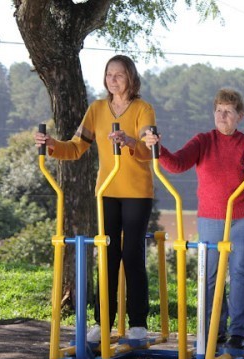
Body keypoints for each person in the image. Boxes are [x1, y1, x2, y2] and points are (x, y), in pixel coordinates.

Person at [34, 55, 156, 342]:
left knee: (132, 255)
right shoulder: (97, 109)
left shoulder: (142, 109)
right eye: (109, 75)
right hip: (106, 191)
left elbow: (148, 148)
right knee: (108, 255)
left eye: (120, 75)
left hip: (137, 191)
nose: (113, 80)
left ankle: (138, 324)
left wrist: (130, 142)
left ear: (131, 79)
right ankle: (102, 323)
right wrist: (52, 145)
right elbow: (76, 148)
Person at [144, 88, 244, 349]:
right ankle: (212, 327)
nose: (222, 116)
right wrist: (158, 148)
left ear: (240, 115)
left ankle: (239, 331)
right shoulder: (203, 140)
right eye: (218, 111)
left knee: (239, 271)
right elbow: (177, 163)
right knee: (209, 274)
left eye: (228, 112)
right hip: (211, 215)